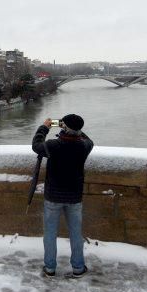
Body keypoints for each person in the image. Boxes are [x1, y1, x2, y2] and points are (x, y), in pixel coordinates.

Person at [32, 113, 94, 278]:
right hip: (74, 197)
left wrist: (45, 127)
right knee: (75, 233)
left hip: (53, 196)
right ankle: (78, 268)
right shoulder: (84, 146)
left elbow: (36, 145)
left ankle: (50, 268)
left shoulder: (53, 145)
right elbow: (88, 140)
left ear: (64, 128)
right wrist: (75, 130)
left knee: (50, 233)